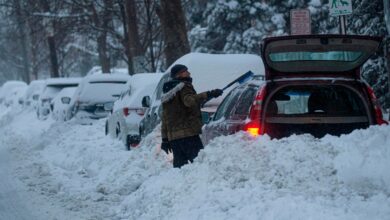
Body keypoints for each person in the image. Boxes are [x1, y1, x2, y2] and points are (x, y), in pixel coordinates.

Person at [160, 64, 223, 168]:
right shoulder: (184, 85)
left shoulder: (167, 93)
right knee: (199, 165)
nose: (189, 73)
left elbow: (165, 117)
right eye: (186, 71)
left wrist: (165, 139)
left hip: (174, 139)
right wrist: (209, 94)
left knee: (179, 170)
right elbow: (189, 101)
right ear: (179, 75)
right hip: (188, 135)